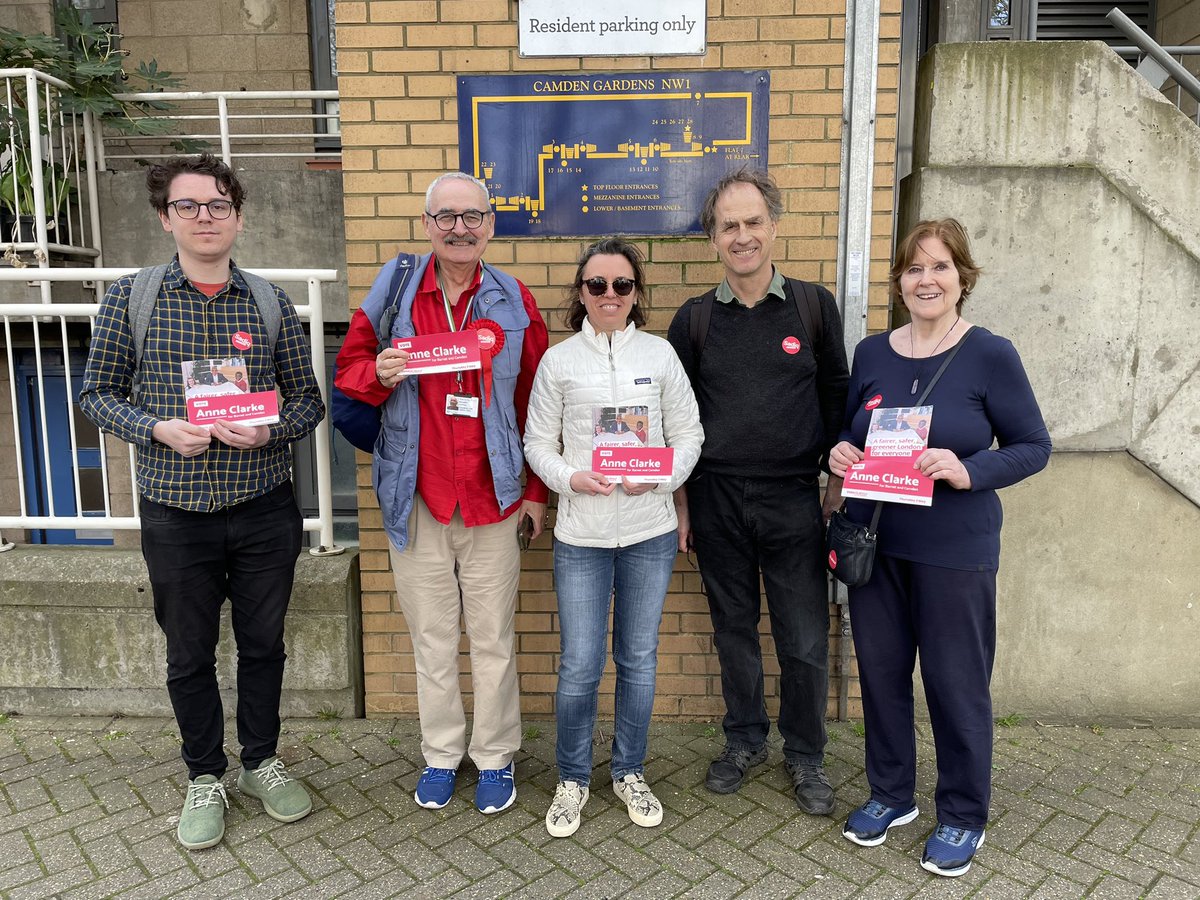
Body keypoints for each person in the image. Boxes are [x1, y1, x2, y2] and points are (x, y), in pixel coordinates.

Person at [79, 153, 325, 851]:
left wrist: (269, 430)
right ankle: (203, 775)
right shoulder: (132, 298)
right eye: (189, 206)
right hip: (174, 509)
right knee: (188, 653)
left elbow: (308, 401)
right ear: (166, 217)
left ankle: (261, 761)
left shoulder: (272, 302)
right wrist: (156, 428)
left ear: (238, 217)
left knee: (263, 645)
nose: (206, 217)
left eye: (218, 205)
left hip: (262, 505)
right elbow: (96, 393)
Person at [829, 218, 1050, 877]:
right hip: (876, 543)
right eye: (913, 269)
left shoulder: (990, 355)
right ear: (898, 282)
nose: (926, 279)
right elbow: (853, 432)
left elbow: (1033, 446)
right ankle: (892, 794)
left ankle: (960, 813)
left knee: (956, 684)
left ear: (963, 278)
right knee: (882, 676)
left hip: (955, 548)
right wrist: (837, 452)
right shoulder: (872, 353)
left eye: (940, 267)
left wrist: (969, 469)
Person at [333, 171, 548, 815]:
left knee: (493, 638)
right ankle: (441, 753)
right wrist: (378, 372)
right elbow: (347, 376)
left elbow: (534, 401)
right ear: (429, 224)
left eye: (473, 216)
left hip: (495, 497)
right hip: (417, 496)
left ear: (490, 224)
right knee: (431, 637)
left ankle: (495, 757)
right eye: (447, 217)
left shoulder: (514, 299)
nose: (460, 228)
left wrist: (536, 493)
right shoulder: (395, 291)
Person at [667, 168, 849, 814]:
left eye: (752, 223)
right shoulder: (693, 322)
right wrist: (683, 504)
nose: (741, 236)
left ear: (773, 227)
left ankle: (805, 755)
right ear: (713, 238)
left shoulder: (812, 307)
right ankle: (744, 739)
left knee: (802, 639)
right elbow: (674, 420)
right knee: (733, 632)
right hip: (716, 501)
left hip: (793, 501)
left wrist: (833, 488)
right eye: (728, 226)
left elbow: (837, 403)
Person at [524, 237, 703, 838]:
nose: (609, 295)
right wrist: (570, 478)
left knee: (639, 660)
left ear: (635, 295)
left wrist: (662, 479)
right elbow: (536, 445)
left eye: (621, 285)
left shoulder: (661, 355)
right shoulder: (558, 362)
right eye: (596, 285)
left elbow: (689, 435)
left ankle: (628, 769)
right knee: (578, 664)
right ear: (581, 293)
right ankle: (572, 776)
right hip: (581, 536)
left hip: (650, 532)